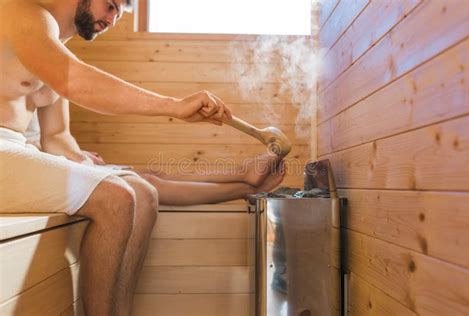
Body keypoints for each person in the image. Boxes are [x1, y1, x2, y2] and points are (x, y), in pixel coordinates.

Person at [0, 0, 285, 315]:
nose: (113, 18)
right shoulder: (24, 13)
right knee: (116, 197)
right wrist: (173, 105)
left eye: (120, 13)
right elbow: (73, 81)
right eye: (110, 5)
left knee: (143, 192)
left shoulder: (55, 42)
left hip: (19, 152)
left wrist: (87, 164)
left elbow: (55, 136)